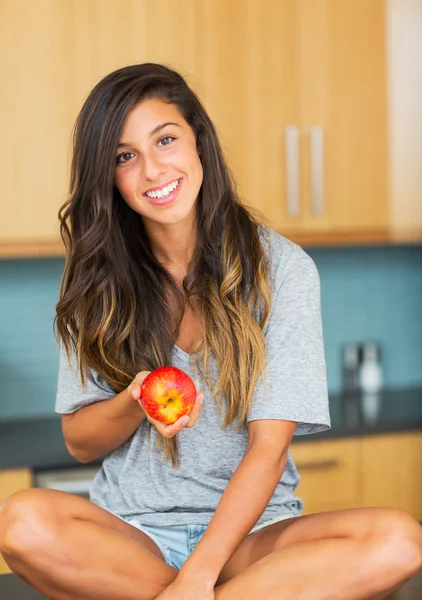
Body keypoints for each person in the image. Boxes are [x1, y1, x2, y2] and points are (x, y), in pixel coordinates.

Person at [0, 63, 421, 600]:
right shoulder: (96, 280)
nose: (153, 170)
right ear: (109, 177)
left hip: (254, 536)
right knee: (21, 522)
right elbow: (79, 442)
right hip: (134, 534)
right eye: (125, 157)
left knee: (399, 540)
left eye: (166, 140)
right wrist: (134, 401)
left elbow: (269, 450)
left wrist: (198, 576)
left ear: (200, 142)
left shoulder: (280, 270)